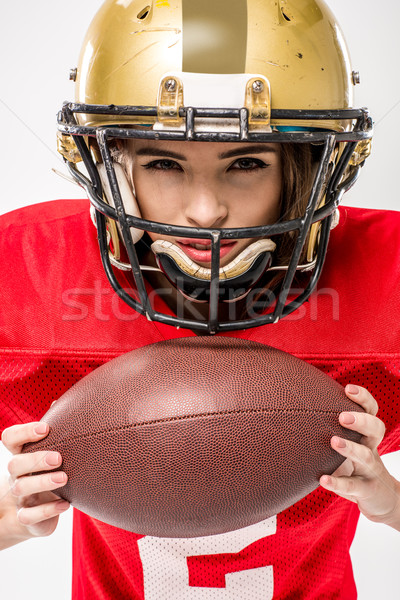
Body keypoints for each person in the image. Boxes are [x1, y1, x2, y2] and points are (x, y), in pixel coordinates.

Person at [0, 0, 399, 598]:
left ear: (305, 166)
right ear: (114, 165)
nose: (206, 211)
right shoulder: (26, 269)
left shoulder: (384, 274)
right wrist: (9, 519)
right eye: (164, 162)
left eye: (246, 162)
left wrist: (387, 502)